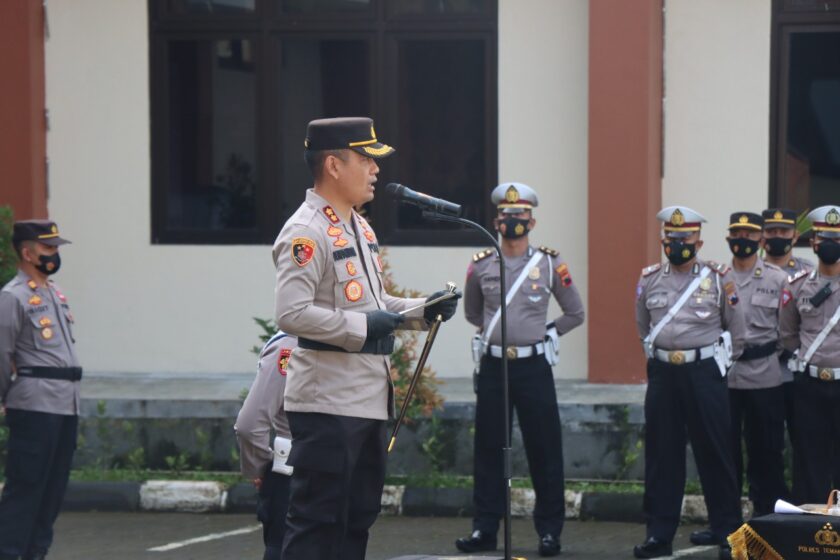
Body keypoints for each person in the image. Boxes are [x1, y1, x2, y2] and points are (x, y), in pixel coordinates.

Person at [273, 117, 460, 560]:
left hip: (367, 399)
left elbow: (373, 304)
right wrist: (363, 327)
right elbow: (291, 313)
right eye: (366, 159)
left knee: (356, 521)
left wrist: (421, 311)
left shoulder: (358, 226)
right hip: (326, 405)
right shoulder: (306, 231)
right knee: (317, 525)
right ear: (334, 166)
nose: (376, 169)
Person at [455, 182, 584, 557]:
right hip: (496, 366)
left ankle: (549, 531)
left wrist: (545, 333)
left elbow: (575, 312)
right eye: (506, 215)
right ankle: (484, 528)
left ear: (532, 221)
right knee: (490, 448)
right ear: (496, 220)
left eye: (520, 216)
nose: (512, 221)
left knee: (544, 449)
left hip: (534, 366)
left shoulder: (549, 264)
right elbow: (473, 313)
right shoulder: (481, 264)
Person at [634, 206, 746, 560]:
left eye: (685, 238)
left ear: (698, 241)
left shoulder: (717, 277)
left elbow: (736, 329)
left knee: (715, 452)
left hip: (704, 374)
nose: (678, 243)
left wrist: (717, 367)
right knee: (662, 456)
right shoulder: (649, 278)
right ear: (663, 240)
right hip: (664, 375)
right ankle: (659, 534)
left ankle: (729, 532)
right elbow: (642, 326)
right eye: (671, 238)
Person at [690, 212, 786, 546]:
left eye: (749, 235)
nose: (742, 240)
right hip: (723, 376)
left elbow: (787, 330)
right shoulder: (714, 277)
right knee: (723, 453)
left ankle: (767, 523)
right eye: (736, 234)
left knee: (766, 454)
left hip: (765, 377)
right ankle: (725, 523)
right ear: (729, 239)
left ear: (760, 240)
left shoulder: (777, 279)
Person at [0, 220, 81, 560]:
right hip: (34, 404)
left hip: (65, 402)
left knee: (52, 491)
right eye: (49, 248)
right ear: (27, 252)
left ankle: (35, 553)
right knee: (26, 488)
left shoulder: (53, 292)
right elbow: (2, 352)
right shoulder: (12, 296)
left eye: (57, 248)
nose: (55, 254)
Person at [780, 205, 840, 504]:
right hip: (810, 386)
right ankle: (812, 534)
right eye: (824, 237)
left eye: (837, 238)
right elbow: (789, 335)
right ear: (814, 243)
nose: (830, 244)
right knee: (809, 462)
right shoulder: (798, 286)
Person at [761, 207, 813, 488]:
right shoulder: (746, 273)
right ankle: (769, 511)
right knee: (766, 449)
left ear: (794, 236)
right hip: (761, 375)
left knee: (804, 444)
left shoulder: (810, 273)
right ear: (763, 236)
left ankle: (804, 510)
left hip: (798, 376)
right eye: (771, 231)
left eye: (783, 232)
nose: (777, 236)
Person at [234, 331, 298, 560]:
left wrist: (261, 468)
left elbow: (249, 426)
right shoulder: (355, 336)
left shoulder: (291, 344)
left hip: (293, 474)